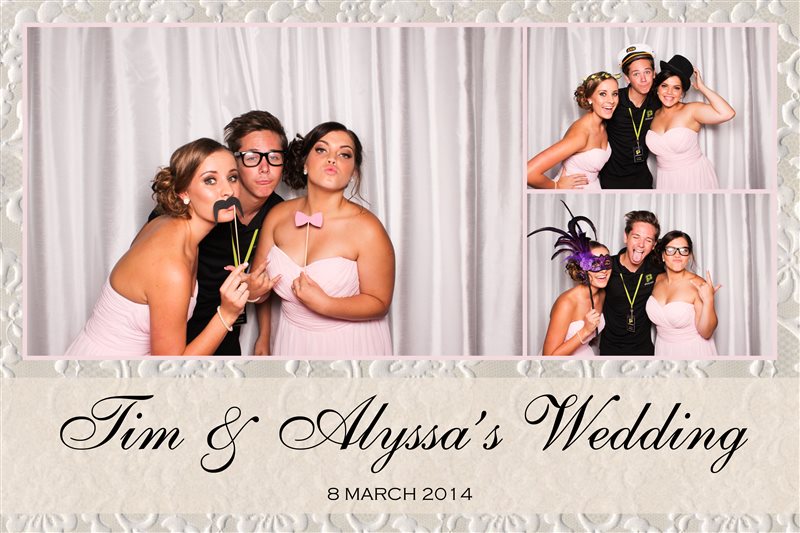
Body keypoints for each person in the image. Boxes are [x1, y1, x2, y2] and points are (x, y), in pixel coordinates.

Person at [66, 138, 255, 356]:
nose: (228, 191)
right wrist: (228, 313)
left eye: (232, 177)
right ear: (184, 192)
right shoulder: (171, 265)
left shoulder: (168, 225)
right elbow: (170, 367)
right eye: (210, 180)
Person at [250, 122, 395, 356]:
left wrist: (326, 304)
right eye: (321, 149)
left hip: (351, 345)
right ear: (305, 163)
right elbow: (260, 289)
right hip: (292, 341)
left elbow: (380, 303)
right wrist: (251, 292)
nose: (332, 159)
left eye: (344, 154)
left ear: (354, 172)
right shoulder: (277, 215)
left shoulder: (368, 229)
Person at [150, 111, 287, 355]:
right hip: (174, 324)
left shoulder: (279, 212)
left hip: (227, 328)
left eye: (274, 157)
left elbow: (262, 280)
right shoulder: (196, 205)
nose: (265, 168)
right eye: (252, 157)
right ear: (234, 161)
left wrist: (264, 333)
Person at [645, 55, 735, 190]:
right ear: (657, 88)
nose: (669, 92)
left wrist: (702, 88)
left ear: (682, 92)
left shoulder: (691, 110)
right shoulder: (653, 114)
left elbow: (727, 113)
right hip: (665, 179)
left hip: (693, 175)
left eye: (676, 88)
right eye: (664, 86)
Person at [528, 72, 619, 190]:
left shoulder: (603, 125)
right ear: (589, 98)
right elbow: (529, 173)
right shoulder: (581, 134)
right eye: (603, 94)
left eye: (614, 94)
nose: (611, 100)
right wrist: (556, 186)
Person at [599, 210, 664, 355]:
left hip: (644, 350)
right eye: (636, 237)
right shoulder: (607, 267)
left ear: (654, 245)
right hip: (610, 350)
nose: (641, 244)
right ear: (626, 237)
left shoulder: (657, 269)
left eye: (648, 240)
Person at [646, 231, 720, 356]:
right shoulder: (657, 279)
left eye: (683, 250)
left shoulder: (698, 284)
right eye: (671, 250)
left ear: (689, 255)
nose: (677, 255)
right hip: (663, 349)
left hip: (693, 351)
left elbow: (706, 333)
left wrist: (709, 300)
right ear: (663, 254)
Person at [599, 44, 662, 189]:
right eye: (636, 74)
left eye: (647, 72)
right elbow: (588, 128)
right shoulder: (614, 99)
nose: (643, 79)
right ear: (627, 78)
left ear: (654, 73)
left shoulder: (658, 101)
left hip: (642, 179)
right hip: (611, 179)